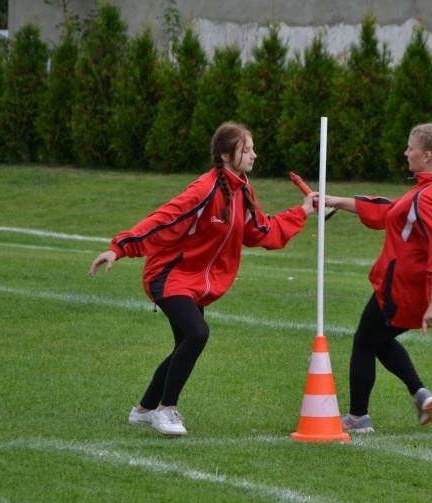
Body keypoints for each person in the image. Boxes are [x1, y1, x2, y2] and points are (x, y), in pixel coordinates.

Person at [89, 122, 317, 436]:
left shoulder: (242, 190)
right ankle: (166, 410)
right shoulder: (204, 189)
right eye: (246, 149)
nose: (254, 155)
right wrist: (120, 248)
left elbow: (262, 231)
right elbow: (163, 220)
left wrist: (303, 212)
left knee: (185, 343)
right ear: (225, 155)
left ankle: (143, 409)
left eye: (252, 149)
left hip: (195, 285)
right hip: (168, 277)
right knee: (197, 334)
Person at [321, 123, 432, 433]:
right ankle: (421, 395)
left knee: (363, 342)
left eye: (410, 148)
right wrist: (335, 201)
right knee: (377, 340)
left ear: (426, 155)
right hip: (412, 288)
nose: (405, 152)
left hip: (401, 288)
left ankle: (358, 418)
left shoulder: (427, 196)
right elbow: (391, 211)